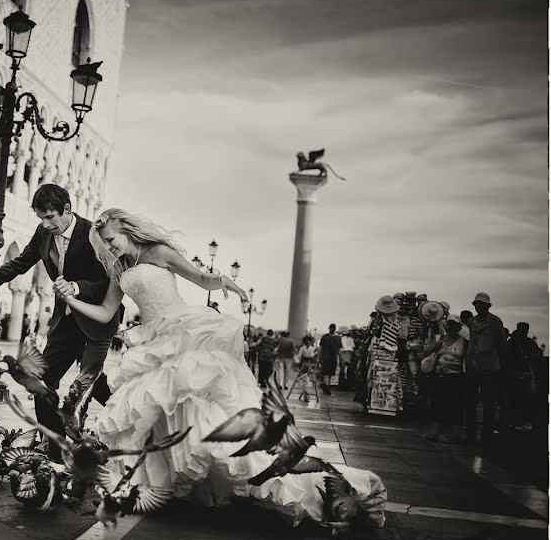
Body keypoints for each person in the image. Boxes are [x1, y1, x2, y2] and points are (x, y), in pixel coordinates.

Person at [60, 208, 386, 523]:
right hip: (153, 343)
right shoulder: (118, 271)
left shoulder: (159, 251)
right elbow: (105, 313)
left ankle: (316, 482)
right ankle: (161, 483)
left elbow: (201, 278)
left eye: (111, 239)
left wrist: (226, 282)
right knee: (160, 413)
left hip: (184, 331)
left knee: (202, 410)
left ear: (125, 229)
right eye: (104, 243)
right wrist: (71, 301)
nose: (109, 247)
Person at [0, 184, 119, 462]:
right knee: (41, 383)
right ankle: (55, 454)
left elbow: (107, 282)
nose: (45, 224)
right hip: (64, 325)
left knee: (94, 389)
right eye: (41, 218)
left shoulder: (93, 235)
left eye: (50, 217)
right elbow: (18, 264)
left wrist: (76, 288)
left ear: (66, 210)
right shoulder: (43, 233)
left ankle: (130, 429)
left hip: (94, 326)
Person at [464, 292, 505, 445]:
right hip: (472, 366)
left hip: (490, 367)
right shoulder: (471, 322)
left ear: (487, 306)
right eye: (477, 304)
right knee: (470, 403)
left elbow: (501, 344)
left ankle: (486, 437)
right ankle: (470, 436)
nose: (479, 307)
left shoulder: (495, 321)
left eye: (482, 304)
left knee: (489, 404)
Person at [422, 314, 467, 443]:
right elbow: (426, 352)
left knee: (453, 406)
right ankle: (435, 433)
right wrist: (436, 346)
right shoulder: (439, 338)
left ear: (459, 327)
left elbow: (467, 359)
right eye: (450, 324)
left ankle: (454, 434)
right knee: (437, 405)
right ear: (447, 325)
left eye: (455, 325)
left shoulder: (463, 342)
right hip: (438, 375)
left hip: (455, 377)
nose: (452, 327)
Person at [505, 322, 540, 433]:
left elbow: (507, 360)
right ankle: (523, 422)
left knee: (514, 400)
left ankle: (513, 422)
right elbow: (535, 360)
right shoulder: (530, 343)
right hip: (524, 375)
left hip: (513, 375)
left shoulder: (512, 342)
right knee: (525, 401)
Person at [318, 324, 342, 396]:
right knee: (328, 373)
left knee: (328, 373)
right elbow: (339, 350)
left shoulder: (325, 337)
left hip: (327, 358)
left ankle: (325, 386)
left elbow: (320, 348)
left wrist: (318, 357)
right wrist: (341, 358)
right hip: (331, 358)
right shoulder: (337, 338)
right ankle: (327, 388)